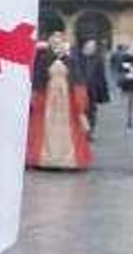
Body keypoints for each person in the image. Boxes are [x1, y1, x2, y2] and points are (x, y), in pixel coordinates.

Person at [26, 33, 92, 171]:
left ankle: (67, 160)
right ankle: (45, 159)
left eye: (59, 43)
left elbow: (78, 83)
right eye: (54, 44)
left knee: (66, 129)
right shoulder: (44, 60)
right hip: (47, 100)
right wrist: (35, 98)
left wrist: (80, 105)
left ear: (64, 45)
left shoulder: (71, 61)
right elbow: (38, 81)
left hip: (66, 101)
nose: (57, 46)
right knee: (45, 129)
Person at [75, 39, 110, 136]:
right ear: (85, 47)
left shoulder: (97, 59)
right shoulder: (78, 58)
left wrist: (103, 92)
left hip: (92, 89)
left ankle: (90, 131)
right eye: (90, 47)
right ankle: (82, 130)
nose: (92, 49)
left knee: (92, 111)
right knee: (81, 110)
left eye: (93, 47)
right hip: (80, 88)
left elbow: (101, 75)